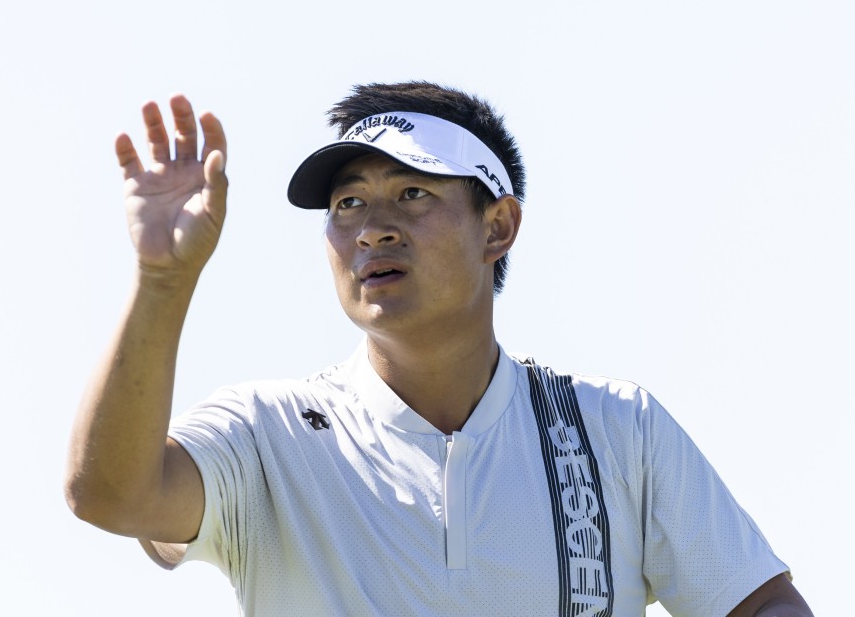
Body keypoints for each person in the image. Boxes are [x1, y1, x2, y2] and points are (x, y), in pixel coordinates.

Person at [65, 82, 813, 616]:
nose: (372, 227)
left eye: (412, 194)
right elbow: (111, 496)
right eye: (348, 203)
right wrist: (162, 283)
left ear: (498, 227)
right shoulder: (267, 433)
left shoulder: (621, 430)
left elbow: (758, 602)